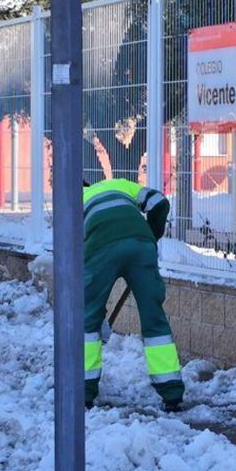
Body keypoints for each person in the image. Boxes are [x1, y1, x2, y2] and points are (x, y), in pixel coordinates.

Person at [83, 176, 183, 411]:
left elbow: (76, 255)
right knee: (154, 317)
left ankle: (83, 393)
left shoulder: (73, 202)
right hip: (141, 246)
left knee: (87, 318)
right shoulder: (119, 185)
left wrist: (96, 309)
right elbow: (159, 202)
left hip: (101, 248)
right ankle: (172, 392)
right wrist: (152, 234)